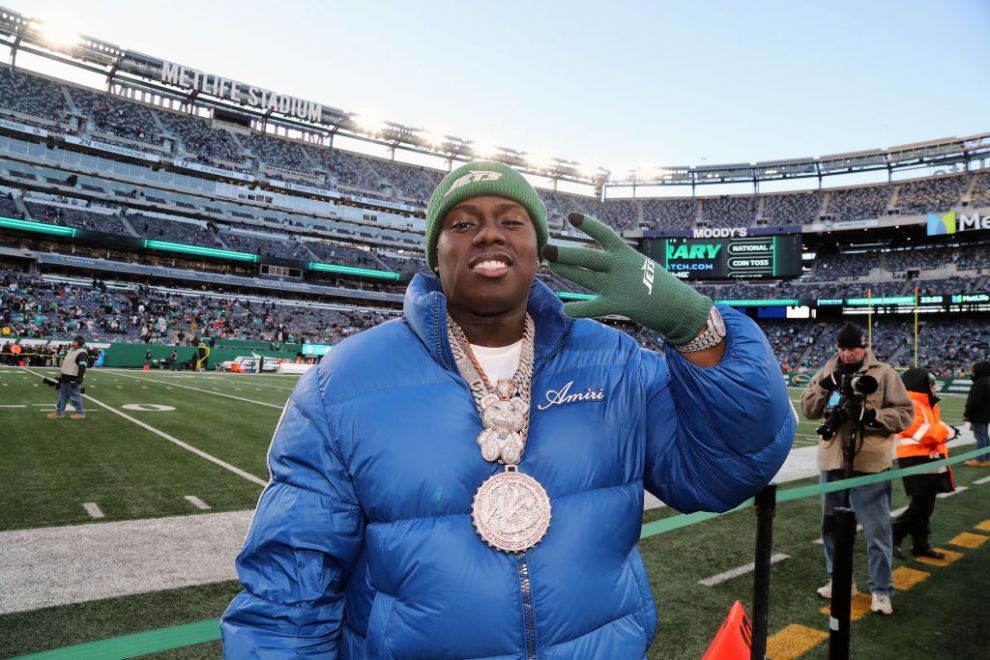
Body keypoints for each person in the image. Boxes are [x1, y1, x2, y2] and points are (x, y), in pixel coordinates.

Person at [221, 161, 796, 658]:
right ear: (435, 254)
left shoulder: (615, 362)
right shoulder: (343, 381)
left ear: (537, 250)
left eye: (511, 222)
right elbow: (288, 591)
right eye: (462, 223)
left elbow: (726, 471)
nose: (488, 235)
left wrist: (696, 324)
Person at [801, 323, 913, 615]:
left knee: (877, 530)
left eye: (852, 348)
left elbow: (905, 414)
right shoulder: (828, 371)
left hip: (870, 462)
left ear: (864, 348)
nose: (847, 354)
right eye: (842, 348)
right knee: (830, 529)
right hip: (832, 460)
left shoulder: (885, 373)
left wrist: (871, 414)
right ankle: (839, 581)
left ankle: (881, 589)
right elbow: (808, 410)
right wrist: (825, 386)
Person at [891, 369, 956, 560]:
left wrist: (944, 430)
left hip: (928, 457)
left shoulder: (925, 403)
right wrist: (949, 431)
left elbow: (934, 431)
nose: (935, 386)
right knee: (921, 505)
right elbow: (927, 434)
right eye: (931, 382)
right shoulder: (911, 404)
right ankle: (894, 536)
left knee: (926, 505)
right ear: (920, 384)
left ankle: (920, 544)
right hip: (915, 459)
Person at [47, 335, 89, 420]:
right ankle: (59, 413)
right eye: (73, 341)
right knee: (62, 396)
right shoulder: (71, 351)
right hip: (65, 378)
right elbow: (68, 365)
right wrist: (61, 375)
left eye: (75, 341)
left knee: (75, 396)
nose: (73, 343)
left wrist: (79, 378)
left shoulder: (82, 352)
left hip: (73, 378)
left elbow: (82, 366)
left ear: (80, 343)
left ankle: (80, 413)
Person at [963, 361, 990, 467]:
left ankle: (980, 460)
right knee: (985, 436)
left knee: (980, 436)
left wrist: (967, 414)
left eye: (974, 370)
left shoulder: (979, 383)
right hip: (986, 414)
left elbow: (973, 402)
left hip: (978, 415)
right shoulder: (987, 381)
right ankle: (987, 458)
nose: (972, 372)